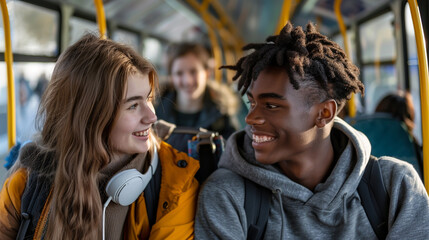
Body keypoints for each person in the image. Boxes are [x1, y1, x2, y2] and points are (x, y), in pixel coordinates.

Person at [195, 22, 429, 239]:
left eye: (272, 105)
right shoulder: (228, 195)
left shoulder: (394, 186)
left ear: (324, 113)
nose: (251, 118)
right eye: (252, 103)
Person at [0, 34, 200, 239]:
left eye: (148, 99)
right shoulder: (28, 183)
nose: (152, 116)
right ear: (90, 117)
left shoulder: (174, 187)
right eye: (133, 105)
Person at [155, 42, 241, 150]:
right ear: (172, 77)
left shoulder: (222, 113)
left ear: (207, 73)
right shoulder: (155, 112)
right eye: (179, 73)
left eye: (193, 71)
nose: (188, 81)